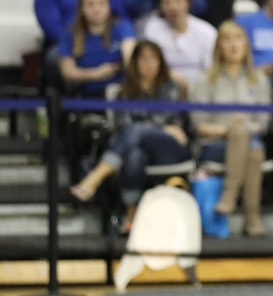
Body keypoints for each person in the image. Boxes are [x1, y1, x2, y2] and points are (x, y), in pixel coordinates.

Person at [68, 41, 190, 229]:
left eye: (153, 58)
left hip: (170, 148)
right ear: (134, 62)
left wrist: (155, 126)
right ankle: (130, 214)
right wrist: (160, 126)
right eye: (144, 58)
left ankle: (97, 175)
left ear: (161, 62)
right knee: (135, 154)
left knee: (137, 131)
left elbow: (163, 116)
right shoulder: (124, 91)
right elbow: (123, 125)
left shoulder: (170, 87)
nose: (149, 63)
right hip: (137, 147)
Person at [189, 20, 271, 235]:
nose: (233, 45)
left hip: (248, 139)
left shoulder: (258, 79)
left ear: (246, 45)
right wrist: (226, 129)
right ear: (219, 47)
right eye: (227, 40)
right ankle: (251, 218)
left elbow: (264, 122)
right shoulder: (205, 80)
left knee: (250, 143)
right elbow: (197, 124)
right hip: (214, 143)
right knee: (247, 141)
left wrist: (242, 127)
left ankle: (230, 197)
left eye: (238, 39)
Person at [58, 0, 136, 97]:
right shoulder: (70, 32)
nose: (97, 9)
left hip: (120, 90)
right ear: (81, 8)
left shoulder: (122, 26)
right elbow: (68, 72)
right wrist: (97, 73)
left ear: (109, 6)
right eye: (90, 4)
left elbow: (130, 55)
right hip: (88, 94)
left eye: (102, 3)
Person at [141, 0, 217, 87]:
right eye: (167, 2)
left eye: (178, 1)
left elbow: (211, 69)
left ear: (188, 3)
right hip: (163, 85)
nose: (173, 7)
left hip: (199, 87)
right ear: (161, 6)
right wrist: (170, 75)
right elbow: (148, 64)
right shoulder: (153, 28)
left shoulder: (206, 32)